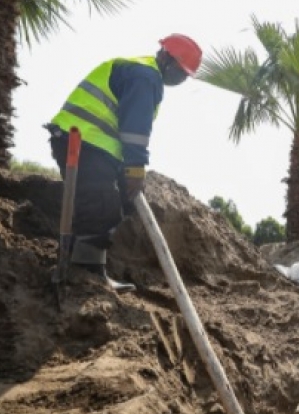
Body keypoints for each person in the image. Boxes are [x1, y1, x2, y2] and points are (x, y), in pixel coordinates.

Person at [45, 34, 203, 291]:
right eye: (181, 71)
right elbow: (135, 131)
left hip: (93, 145)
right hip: (83, 141)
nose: (182, 79)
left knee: (114, 204)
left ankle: (83, 263)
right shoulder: (146, 76)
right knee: (101, 203)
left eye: (186, 76)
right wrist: (134, 169)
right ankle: (87, 273)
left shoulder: (144, 74)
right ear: (165, 58)